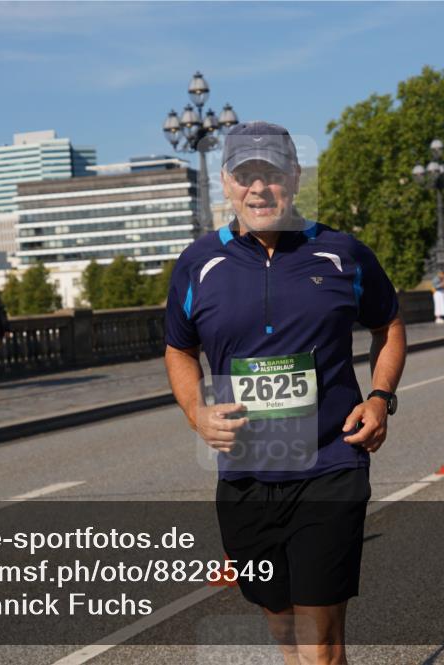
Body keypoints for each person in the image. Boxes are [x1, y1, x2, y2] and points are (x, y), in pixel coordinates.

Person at [164, 121, 406, 664]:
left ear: (294, 178)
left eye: (271, 174)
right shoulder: (198, 264)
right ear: (226, 183)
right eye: (245, 175)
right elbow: (179, 349)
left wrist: (380, 397)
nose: (258, 188)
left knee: (320, 644)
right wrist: (194, 411)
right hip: (245, 477)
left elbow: (389, 324)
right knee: (284, 633)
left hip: (330, 467)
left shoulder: (343, 254)